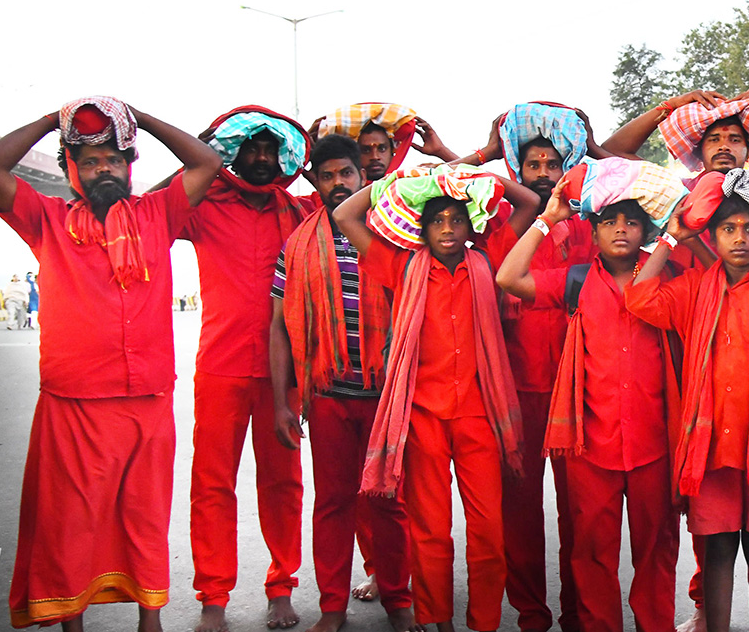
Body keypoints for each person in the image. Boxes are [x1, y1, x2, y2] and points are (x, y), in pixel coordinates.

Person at [606, 86, 749, 632]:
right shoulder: (679, 203)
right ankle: (706, 611)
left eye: (738, 138)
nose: (727, 146)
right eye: (715, 138)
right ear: (696, 151)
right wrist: (669, 107)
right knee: (710, 528)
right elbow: (615, 156)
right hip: (690, 369)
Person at [0, 96, 221, 630]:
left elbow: (206, 162)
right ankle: (73, 622)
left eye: (113, 159)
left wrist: (141, 116)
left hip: (148, 399)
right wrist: (52, 120)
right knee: (72, 522)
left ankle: (149, 620)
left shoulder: (157, 213)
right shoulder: (45, 220)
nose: (103, 169)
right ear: (72, 172)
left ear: (130, 167)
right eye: (89, 162)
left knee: (144, 516)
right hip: (75, 404)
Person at [336, 164, 539, 632]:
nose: (447, 229)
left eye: (456, 220)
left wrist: (470, 172)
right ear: (421, 228)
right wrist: (396, 180)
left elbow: (527, 203)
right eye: (437, 221)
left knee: (488, 532)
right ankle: (438, 621)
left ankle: (484, 621)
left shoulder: (488, 262)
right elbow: (347, 216)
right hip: (423, 418)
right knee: (430, 533)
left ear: (471, 226)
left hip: (481, 417)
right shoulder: (402, 265)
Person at [495, 158, 691, 632]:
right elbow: (507, 278)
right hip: (591, 446)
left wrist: (675, 232)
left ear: (646, 228)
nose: (621, 230)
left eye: (631, 221)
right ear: (595, 230)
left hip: (654, 446)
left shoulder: (670, 278)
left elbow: (708, 268)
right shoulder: (576, 281)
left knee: (656, 552)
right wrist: (549, 217)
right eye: (609, 222)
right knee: (591, 553)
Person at [461, 102, 610, 632]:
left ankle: (578, 614)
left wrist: (590, 150)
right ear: (516, 171)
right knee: (518, 513)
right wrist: (486, 149)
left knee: (582, 514)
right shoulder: (501, 224)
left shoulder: (597, 221)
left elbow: (634, 174)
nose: (544, 174)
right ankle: (531, 613)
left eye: (553, 164)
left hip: (582, 392)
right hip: (514, 389)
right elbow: (448, 190)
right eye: (533, 165)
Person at [269, 134, 418, 632]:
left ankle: (399, 601)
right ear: (315, 180)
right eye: (328, 175)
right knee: (332, 505)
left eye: (346, 174)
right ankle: (332, 607)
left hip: (386, 398)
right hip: (328, 397)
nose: (338, 183)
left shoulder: (390, 232)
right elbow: (278, 325)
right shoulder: (296, 245)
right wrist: (281, 404)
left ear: (362, 177)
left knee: (389, 505)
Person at [183, 105, 312, 632]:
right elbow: (152, 202)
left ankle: (281, 586)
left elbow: (368, 189)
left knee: (283, 483)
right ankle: (213, 595)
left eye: (270, 148)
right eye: (250, 147)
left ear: (283, 156)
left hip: (285, 374)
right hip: (221, 365)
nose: (260, 158)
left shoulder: (299, 210)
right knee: (212, 483)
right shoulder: (201, 204)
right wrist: (206, 147)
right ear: (233, 151)